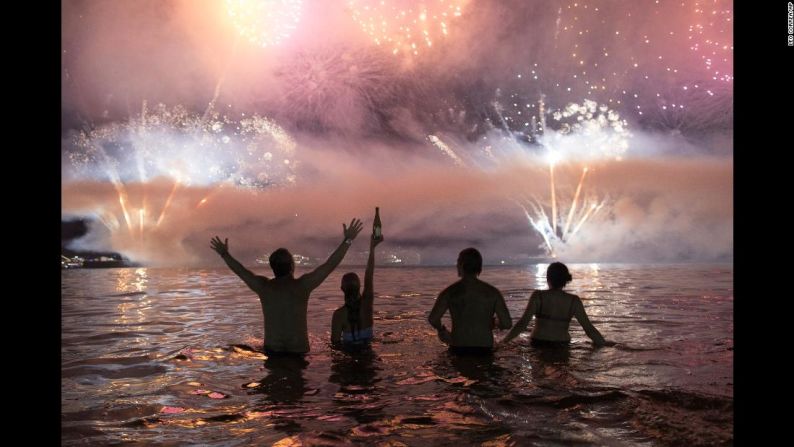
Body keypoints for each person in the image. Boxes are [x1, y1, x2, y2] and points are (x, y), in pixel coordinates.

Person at [210, 218, 363, 355]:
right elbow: (330, 265)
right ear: (292, 266)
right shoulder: (302, 286)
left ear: (272, 267)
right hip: (299, 353)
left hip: (272, 353)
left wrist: (224, 254)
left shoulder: (263, 287)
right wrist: (348, 240)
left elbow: (241, 271)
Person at [501, 262, 614, 347]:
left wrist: (504, 342)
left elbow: (522, 324)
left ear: (548, 278)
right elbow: (589, 329)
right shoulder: (573, 301)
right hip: (562, 345)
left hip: (538, 343)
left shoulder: (538, 296)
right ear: (566, 280)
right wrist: (603, 344)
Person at [428, 248, 512, 355]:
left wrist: (441, 330)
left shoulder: (449, 292)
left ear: (461, 265)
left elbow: (433, 319)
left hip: (458, 347)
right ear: (479, 267)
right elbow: (507, 323)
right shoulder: (493, 293)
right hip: (484, 348)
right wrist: (494, 323)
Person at [331, 211, 383, 350]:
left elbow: (335, 345)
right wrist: (372, 248)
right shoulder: (367, 305)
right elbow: (369, 274)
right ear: (360, 287)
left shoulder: (338, 316)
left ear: (342, 289)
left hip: (349, 361)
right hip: (369, 359)